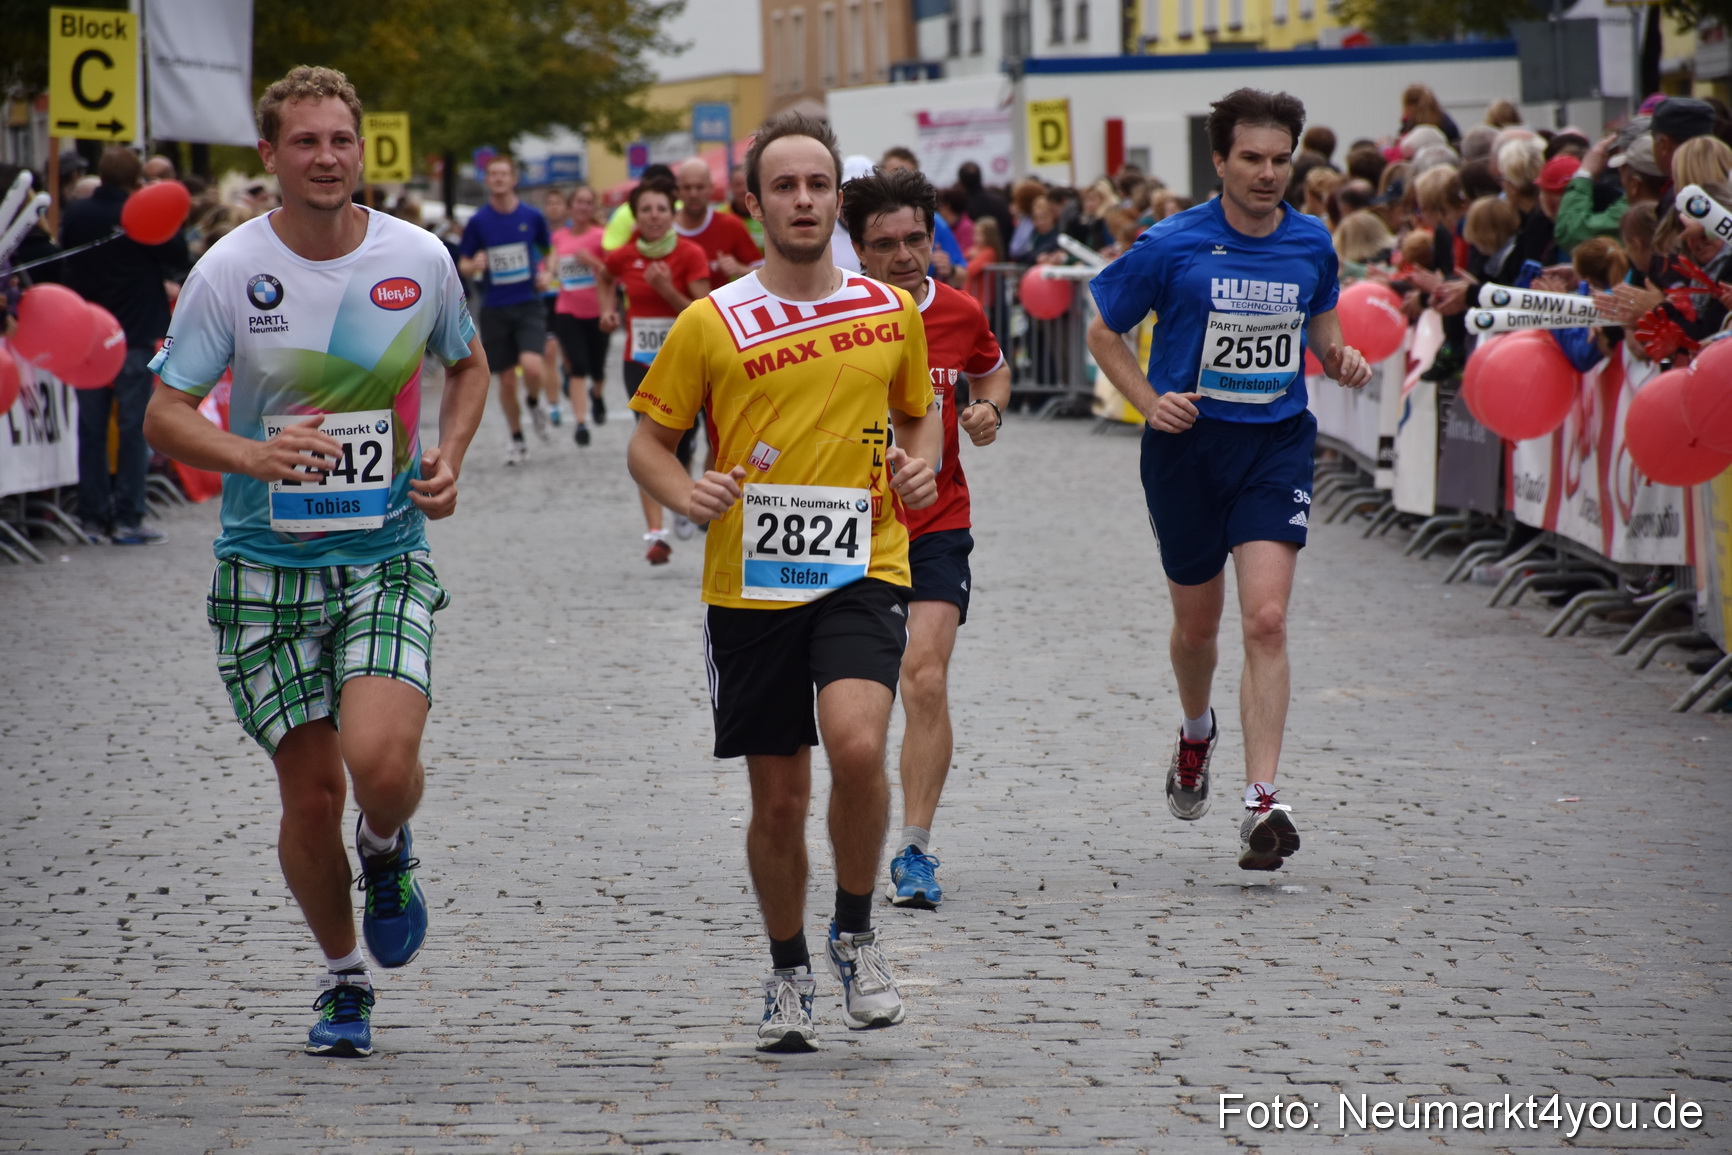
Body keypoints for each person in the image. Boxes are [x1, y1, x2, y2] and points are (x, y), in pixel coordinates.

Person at [141, 65, 489, 1058]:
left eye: (342, 139)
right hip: (264, 566)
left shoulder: (418, 258)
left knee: (379, 767)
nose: (327, 157)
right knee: (310, 796)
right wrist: (250, 452)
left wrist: (451, 456)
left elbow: (467, 363)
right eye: (306, 142)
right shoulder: (226, 270)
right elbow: (165, 411)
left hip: (383, 554)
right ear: (270, 155)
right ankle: (343, 980)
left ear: (363, 148)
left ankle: (387, 847)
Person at [625, 111, 940, 1051]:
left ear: (836, 202)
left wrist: (915, 467)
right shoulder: (707, 321)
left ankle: (855, 932)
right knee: (779, 801)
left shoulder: (891, 312)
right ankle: (789, 968)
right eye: (783, 187)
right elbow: (647, 443)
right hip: (750, 582)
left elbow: (917, 415)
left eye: (817, 186)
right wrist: (690, 490)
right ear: (754, 202)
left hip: (862, 567)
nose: (802, 200)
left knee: (855, 746)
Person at [1084, 87, 1371, 871]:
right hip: (1187, 450)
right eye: (1251, 158)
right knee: (1199, 629)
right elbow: (1103, 329)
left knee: (1268, 619)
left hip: (1274, 445)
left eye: (1281, 159)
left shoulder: (1312, 242)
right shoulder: (1171, 243)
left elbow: (1321, 323)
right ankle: (1196, 729)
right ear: (1219, 160)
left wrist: (1338, 355)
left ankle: (1261, 800)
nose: (1267, 173)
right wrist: (1148, 401)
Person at [842, 167, 1011, 911]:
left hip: (936, 523)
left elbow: (993, 371)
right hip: (845, 531)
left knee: (926, 676)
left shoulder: (961, 311)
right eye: (886, 243)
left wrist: (988, 414)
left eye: (918, 238)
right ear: (859, 247)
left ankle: (913, 846)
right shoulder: (833, 316)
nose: (906, 255)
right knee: (856, 711)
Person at [59, 146, 190, 545]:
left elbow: (67, 259)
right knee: (135, 428)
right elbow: (177, 255)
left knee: (91, 429)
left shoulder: (78, 213)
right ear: (136, 179)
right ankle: (130, 517)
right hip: (133, 334)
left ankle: (92, 518)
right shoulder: (140, 214)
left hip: (89, 336)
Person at [596, 177, 710, 563]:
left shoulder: (690, 254)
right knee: (647, 440)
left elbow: (705, 314)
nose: (654, 216)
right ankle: (656, 533)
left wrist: (666, 290)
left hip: (684, 365)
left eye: (661, 208)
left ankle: (683, 499)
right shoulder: (625, 255)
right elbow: (605, 275)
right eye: (646, 209)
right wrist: (608, 309)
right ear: (636, 215)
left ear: (672, 212)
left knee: (684, 443)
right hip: (640, 362)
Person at [459, 155, 553, 464]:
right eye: (493, 174)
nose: (499, 179)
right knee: (507, 379)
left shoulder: (532, 216)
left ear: (513, 179)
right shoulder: (479, 222)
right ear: (487, 181)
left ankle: (535, 402)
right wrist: (475, 264)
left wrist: (546, 273)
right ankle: (517, 439)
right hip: (495, 307)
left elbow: (548, 251)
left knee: (533, 366)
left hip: (528, 304)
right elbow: (463, 262)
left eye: (504, 174)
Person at [546, 184, 610, 445]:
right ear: (570, 206)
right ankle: (581, 423)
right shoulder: (559, 237)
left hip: (598, 312)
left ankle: (597, 395)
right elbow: (552, 263)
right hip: (567, 310)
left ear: (593, 208)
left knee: (597, 368)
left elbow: (613, 271)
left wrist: (593, 262)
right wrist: (547, 274)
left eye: (588, 202)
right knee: (578, 366)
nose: (582, 207)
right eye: (578, 202)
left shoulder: (601, 236)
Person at [673, 158, 762, 284]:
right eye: (687, 188)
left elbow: (763, 271)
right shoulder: (663, 228)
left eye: (700, 187)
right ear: (678, 190)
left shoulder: (730, 224)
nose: (693, 194)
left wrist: (740, 269)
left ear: (711, 188)